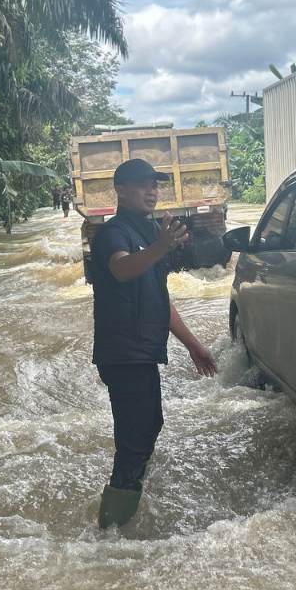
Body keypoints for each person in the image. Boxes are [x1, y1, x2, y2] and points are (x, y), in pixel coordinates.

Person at [89, 158, 217, 528]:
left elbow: (159, 299)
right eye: (143, 184)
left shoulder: (145, 232)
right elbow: (121, 268)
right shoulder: (114, 232)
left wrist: (192, 344)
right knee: (136, 435)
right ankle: (111, 527)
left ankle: (122, 508)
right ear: (121, 190)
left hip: (140, 352)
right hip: (122, 352)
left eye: (155, 185)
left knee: (147, 426)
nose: (152, 191)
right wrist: (161, 247)